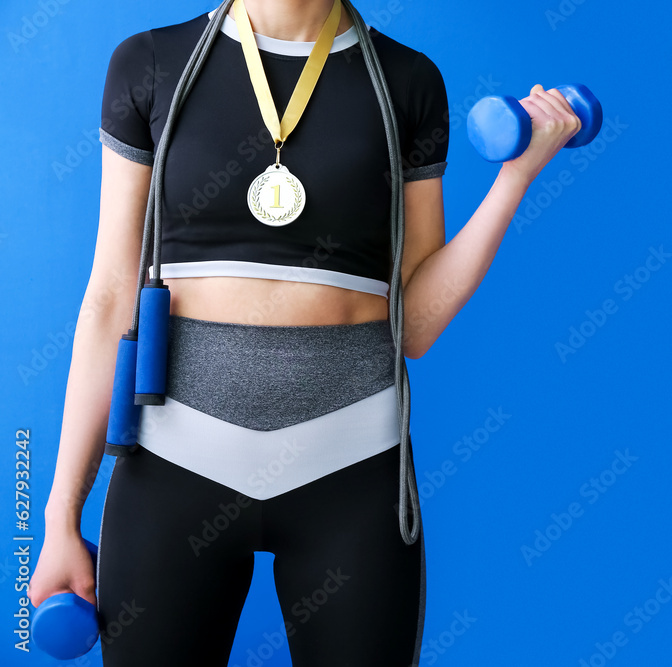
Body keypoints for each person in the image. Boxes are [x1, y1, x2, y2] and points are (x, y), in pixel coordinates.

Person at [28, 0, 583, 663]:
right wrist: (60, 515)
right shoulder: (151, 64)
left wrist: (513, 180)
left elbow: (415, 325)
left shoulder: (406, 82)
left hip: (349, 470)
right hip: (175, 465)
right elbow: (111, 295)